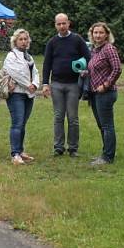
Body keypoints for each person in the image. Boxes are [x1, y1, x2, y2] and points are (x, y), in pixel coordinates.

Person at [41, 13, 92, 157]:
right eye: (59, 24)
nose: (62, 26)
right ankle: (58, 147)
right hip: (56, 84)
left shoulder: (77, 40)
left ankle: (73, 148)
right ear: (55, 25)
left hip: (73, 85)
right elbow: (47, 64)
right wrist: (45, 84)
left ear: (69, 23)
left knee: (73, 118)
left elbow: (88, 57)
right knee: (58, 116)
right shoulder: (52, 42)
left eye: (64, 23)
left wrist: (84, 69)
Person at [86, 22, 122, 165]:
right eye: (95, 33)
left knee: (107, 125)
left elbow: (117, 69)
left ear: (107, 34)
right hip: (95, 93)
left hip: (106, 93)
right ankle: (106, 152)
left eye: (101, 33)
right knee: (102, 125)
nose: (98, 35)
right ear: (92, 34)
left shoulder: (109, 49)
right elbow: (94, 69)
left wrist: (106, 85)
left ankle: (108, 157)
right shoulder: (95, 50)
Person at [3, 29, 40, 165]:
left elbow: (36, 72)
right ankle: (15, 154)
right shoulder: (11, 56)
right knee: (17, 123)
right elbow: (15, 73)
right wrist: (28, 84)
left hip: (28, 95)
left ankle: (21, 150)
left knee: (23, 124)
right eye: (21, 39)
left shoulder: (29, 57)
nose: (24, 42)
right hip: (16, 94)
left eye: (26, 39)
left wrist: (35, 84)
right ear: (15, 41)